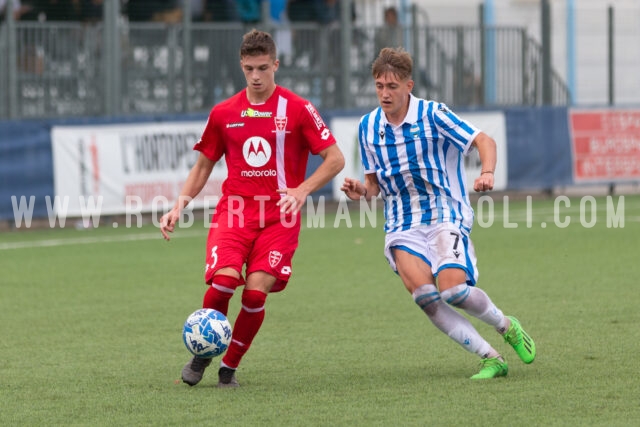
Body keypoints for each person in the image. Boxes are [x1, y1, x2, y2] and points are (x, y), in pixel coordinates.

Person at [160, 29, 345, 387]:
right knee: (223, 284)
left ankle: (229, 365)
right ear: (241, 67)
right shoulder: (224, 113)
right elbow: (203, 166)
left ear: (276, 64)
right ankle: (202, 352)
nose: (256, 76)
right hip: (235, 213)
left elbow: (335, 158)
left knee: (256, 292)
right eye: (249, 69)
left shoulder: (299, 109)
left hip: (280, 218)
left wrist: (304, 188)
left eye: (263, 67)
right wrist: (178, 206)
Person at [341, 47, 535, 379]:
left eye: (392, 86)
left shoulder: (433, 114)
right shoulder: (368, 127)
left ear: (409, 86)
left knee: (453, 291)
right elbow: (374, 185)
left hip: (446, 214)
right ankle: (490, 358)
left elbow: (484, 140)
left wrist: (487, 172)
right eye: (379, 86)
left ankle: (506, 325)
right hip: (402, 223)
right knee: (426, 297)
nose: (385, 94)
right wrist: (363, 191)